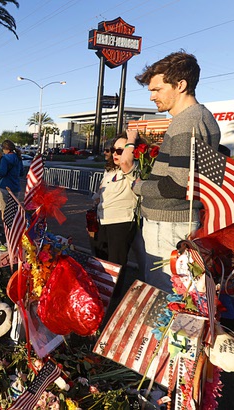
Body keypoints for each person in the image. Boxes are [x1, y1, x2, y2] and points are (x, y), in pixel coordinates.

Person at [133, 51, 221, 292]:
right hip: (176, 222)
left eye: (157, 89)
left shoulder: (186, 122)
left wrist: (138, 186)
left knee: (166, 295)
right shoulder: (200, 117)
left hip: (168, 225)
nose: (152, 97)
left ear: (180, 85)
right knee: (186, 293)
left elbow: (178, 185)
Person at [94, 131, 139, 298]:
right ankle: (102, 298)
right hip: (103, 220)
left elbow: (127, 161)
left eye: (121, 150)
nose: (115, 154)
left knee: (115, 264)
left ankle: (113, 301)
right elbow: (99, 194)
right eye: (114, 149)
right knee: (101, 263)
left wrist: (132, 139)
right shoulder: (110, 171)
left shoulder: (132, 170)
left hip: (121, 222)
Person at [0, 140, 22, 218]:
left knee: (4, 211)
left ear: (5, 149)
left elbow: (2, 173)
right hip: (16, 187)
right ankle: (13, 228)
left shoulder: (4, 158)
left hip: (4, 186)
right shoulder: (18, 158)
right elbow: (21, 172)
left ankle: (6, 229)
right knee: (13, 211)